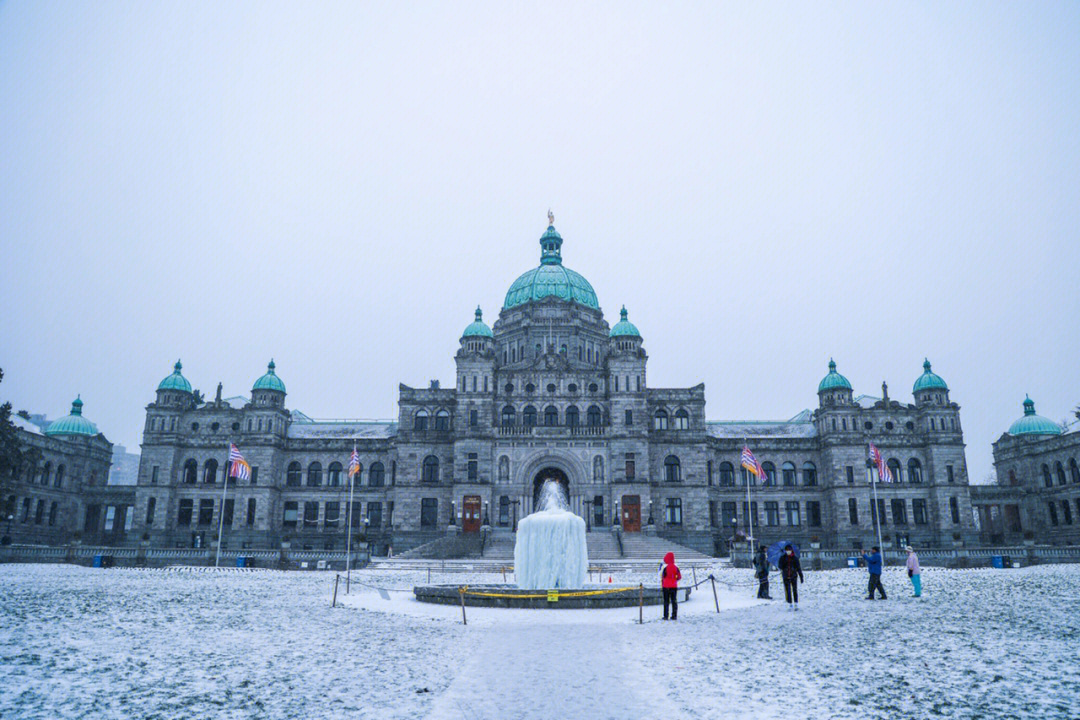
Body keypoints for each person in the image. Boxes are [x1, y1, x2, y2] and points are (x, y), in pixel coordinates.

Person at [776, 544, 804, 610]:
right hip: (786, 575)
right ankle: (790, 603)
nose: (788, 551)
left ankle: (796, 603)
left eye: (789, 550)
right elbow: (780, 566)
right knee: (788, 590)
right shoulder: (782, 558)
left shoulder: (795, 558)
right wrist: (783, 564)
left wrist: (801, 576)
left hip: (793, 575)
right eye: (787, 550)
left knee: (794, 590)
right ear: (785, 551)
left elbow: (798, 568)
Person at [660, 551, 682, 620]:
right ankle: (674, 615)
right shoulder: (676, 567)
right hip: (674, 586)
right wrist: (674, 580)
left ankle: (666, 616)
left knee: (666, 601)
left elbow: (662, 576)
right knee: (674, 601)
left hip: (666, 586)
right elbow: (679, 577)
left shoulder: (665, 567)